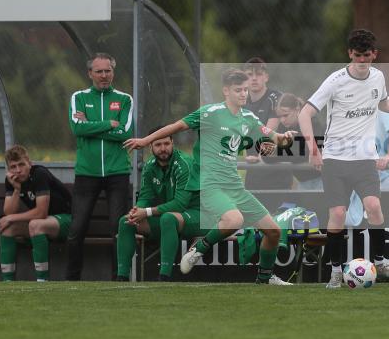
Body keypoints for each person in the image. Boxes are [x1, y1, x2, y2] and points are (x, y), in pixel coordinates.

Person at [124, 68, 298, 285]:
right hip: (210, 184)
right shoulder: (210, 112)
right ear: (226, 91)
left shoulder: (248, 118)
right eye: (238, 90)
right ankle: (200, 248)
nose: (243, 94)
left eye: (245, 90)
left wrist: (287, 138)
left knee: (273, 232)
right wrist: (143, 141)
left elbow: (276, 139)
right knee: (235, 220)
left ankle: (265, 278)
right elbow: (175, 127)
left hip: (234, 186)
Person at [298, 28, 389, 288]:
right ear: (350, 53)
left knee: (374, 208)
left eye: (366, 56)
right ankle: (336, 270)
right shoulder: (335, 81)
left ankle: (380, 264)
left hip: (364, 161)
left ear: (374, 55)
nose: (361, 61)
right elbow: (305, 114)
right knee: (337, 214)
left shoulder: (378, 77)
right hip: (335, 161)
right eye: (357, 55)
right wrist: (314, 150)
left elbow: (385, 103)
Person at [66, 52, 134, 280]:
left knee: (118, 227)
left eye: (108, 71)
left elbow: (125, 132)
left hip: (118, 173)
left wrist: (91, 126)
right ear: (90, 74)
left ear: (113, 72)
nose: (104, 75)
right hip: (87, 173)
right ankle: (72, 278)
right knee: (77, 228)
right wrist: (108, 124)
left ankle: (120, 277)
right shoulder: (79, 97)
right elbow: (77, 129)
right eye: (99, 71)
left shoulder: (125, 99)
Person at [115, 129, 203, 281]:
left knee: (168, 219)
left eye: (166, 143)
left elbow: (179, 204)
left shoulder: (184, 164)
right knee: (126, 221)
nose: (163, 148)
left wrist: (147, 212)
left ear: (172, 143)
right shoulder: (150, 167)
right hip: (171, 217)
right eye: (158, 144)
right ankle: (121, 278)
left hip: (198, 215)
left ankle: (164, 277)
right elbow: (145, 197)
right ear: (151, 147)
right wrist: (137, 211)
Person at [0, 145, 72, 281]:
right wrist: (16, 190)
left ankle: (42, 281)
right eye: (13, 167)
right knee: (7, 228)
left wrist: (11, 218)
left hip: (67, 220)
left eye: (21, 164)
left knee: (36, 224)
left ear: (29, 163)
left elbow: (41, 212)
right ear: (9, 169)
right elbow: (8, 212)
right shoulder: (12, 180)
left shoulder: (39, 174)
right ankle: (7, 281)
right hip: (46, 222)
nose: (18, 170)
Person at [346, 110, 389, 228]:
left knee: (382, 213)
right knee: (357, 217)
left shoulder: (384, 107)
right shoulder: (353, 109)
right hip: (359, 173)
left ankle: (380, 244)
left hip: (384, 174)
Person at [263, 93, 324, 190]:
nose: (282, 120)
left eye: (286, 115)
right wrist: (290, 152)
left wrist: (280, 152)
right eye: (279, 116)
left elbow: (307, 153)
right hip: (303, 182)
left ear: (297, 109)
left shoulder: (313, 123)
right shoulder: (283, 127)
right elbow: (266, 155)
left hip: (321, 180)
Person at [242, 57, 283, 190]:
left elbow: (269, 134)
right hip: (253, 170)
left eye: (258, 74)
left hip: (275, 170)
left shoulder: (276, 97)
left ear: (266, 77)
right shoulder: (242, 102)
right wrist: (246, 158)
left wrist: (259, 158)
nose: (254, 78)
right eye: (249, 75)